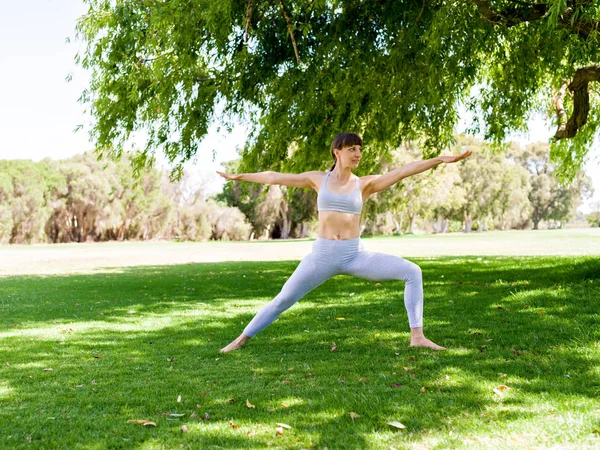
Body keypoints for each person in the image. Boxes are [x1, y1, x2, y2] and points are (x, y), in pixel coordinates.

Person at [216, 132, 472, 353]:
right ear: (337, 152)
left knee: (412, 272)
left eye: (359, 149)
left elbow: (404, 171)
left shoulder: (364, 184)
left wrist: (439, 160)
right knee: (283, 300)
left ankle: (417, 337)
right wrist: (240, 176)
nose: (357, 154)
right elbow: (275, 177)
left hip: (354, 255)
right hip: (322, 256)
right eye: (352, 149)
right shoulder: (318, 179)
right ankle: (239, 341)